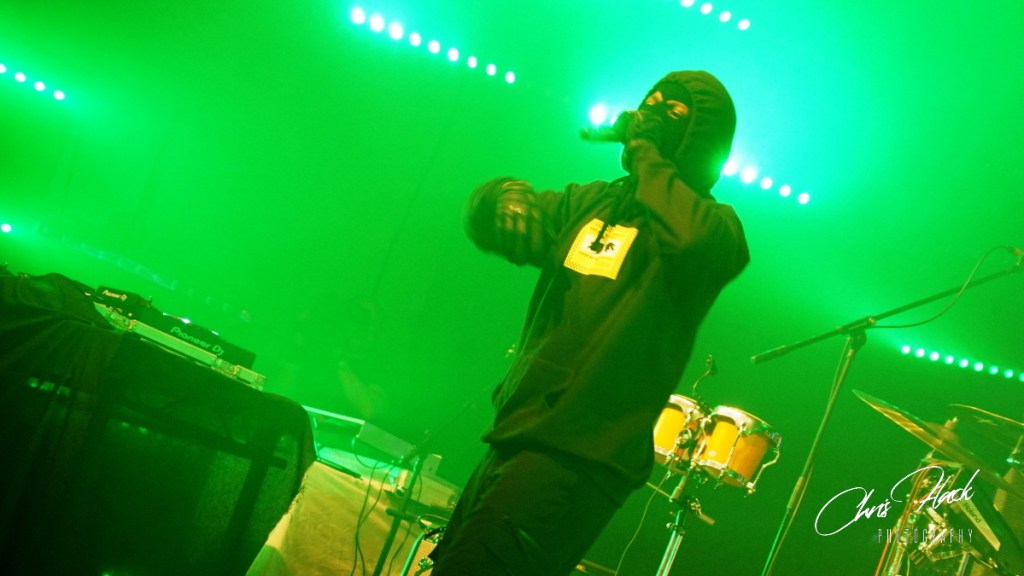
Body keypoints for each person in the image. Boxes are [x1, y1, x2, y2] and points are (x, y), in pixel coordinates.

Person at [429, 70, 750, 575]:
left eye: (673, 112)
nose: (652, 113)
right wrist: (501, 197)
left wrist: (646, 152)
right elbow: (499, 219)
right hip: (517, 431)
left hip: (579, 457)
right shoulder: (593, 202)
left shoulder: (716, 228)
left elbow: (690, 240)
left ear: (701, 138)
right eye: (650, 102)